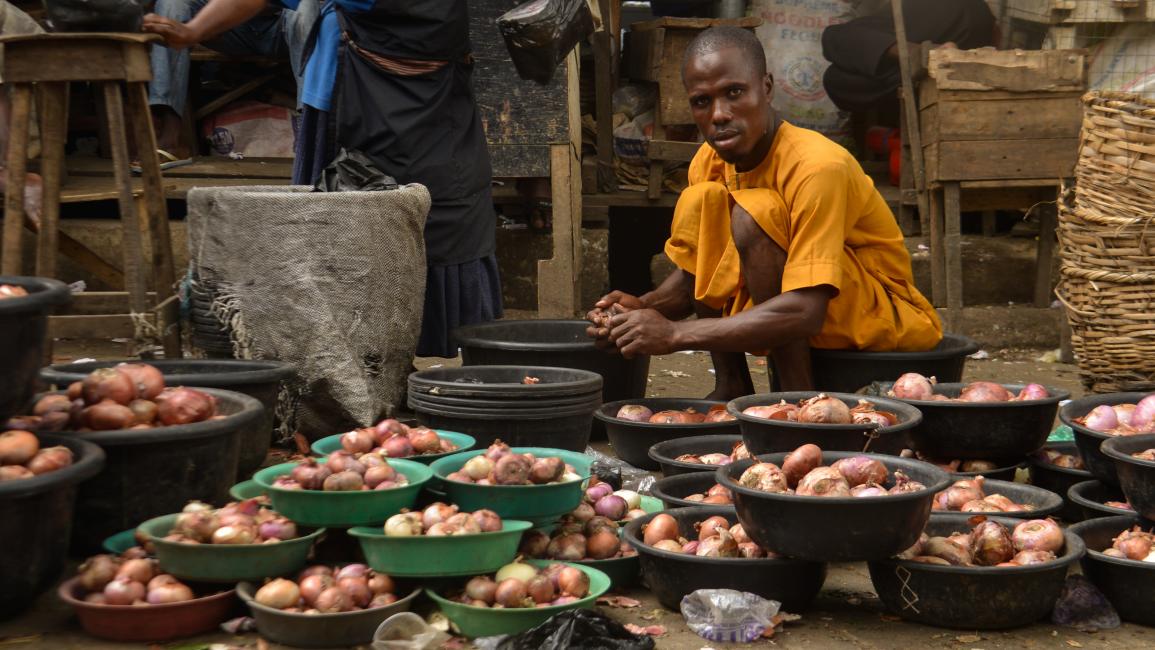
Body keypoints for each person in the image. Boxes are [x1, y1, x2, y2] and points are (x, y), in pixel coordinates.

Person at [587, 26, 941, 398]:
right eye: (702, 101)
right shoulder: (708, 160)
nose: (719, 115)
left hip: (878, 314)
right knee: (704, 200)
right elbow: (701, 277)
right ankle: (730, 384)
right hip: (800, 307)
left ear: (767, 88)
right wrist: (640, 309)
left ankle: (796, 396)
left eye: (734, 93)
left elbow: (806, 309)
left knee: (754, 213)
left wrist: (674, 334)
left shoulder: (818, 167)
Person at [143, 0, 501, 357]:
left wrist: (194, 31)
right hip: (384, 95)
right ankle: (382, 360)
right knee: (374, 227)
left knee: (410, 224)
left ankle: (404, 357)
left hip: (396, 100)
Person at [145, 0, 317, 167]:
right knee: (172, 2)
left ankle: (311, 135)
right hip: (232, 27)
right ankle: (169, 138)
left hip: (285, 25)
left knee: (309, 6)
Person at [821, 0, 996, 114]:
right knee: (837, 71)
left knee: (836, 53)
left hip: (952, 15)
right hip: (937, 29)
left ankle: (916, 54)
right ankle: (915, 53)